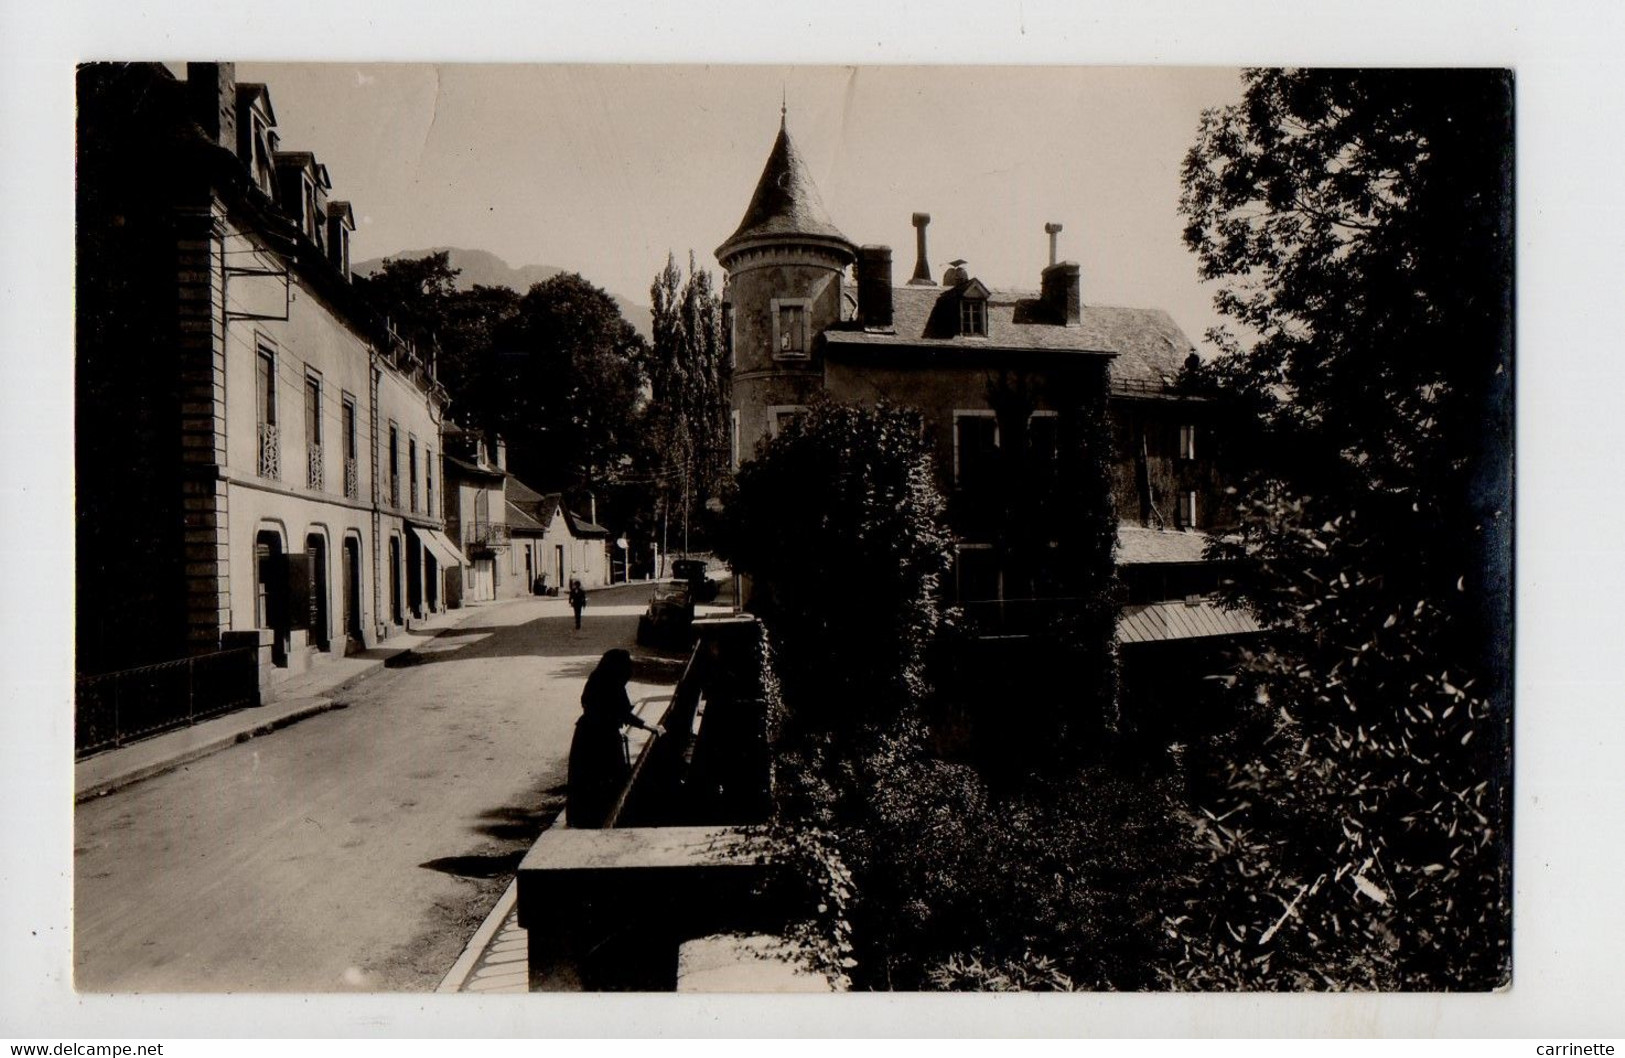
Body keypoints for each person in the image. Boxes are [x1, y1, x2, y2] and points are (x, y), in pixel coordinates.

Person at [566, 649, 663, 828]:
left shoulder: (596, 678)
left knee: (587, 780)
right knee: (608, 779)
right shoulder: (612, 684)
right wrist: (649, 726)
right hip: (603, 738)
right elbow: (622, 712)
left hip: (586, 736)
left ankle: (586, 819)